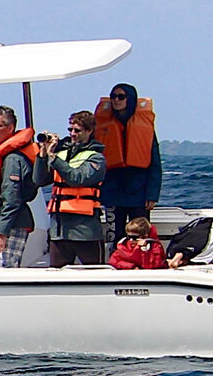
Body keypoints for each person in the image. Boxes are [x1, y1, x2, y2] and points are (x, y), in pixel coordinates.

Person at [39, 110, 108, 266]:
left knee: (95, 276)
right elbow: (39, 179)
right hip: (60, 231)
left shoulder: (96, 158)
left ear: (89, 131)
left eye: (77, 130)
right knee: (56, 277)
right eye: (70, 130)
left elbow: (77, 179)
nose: (72, 134)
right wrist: (42, 155)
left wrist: (54, 158)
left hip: (86, 231)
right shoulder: (62, 154)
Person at [0, 106, 41, 269]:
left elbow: (12, 200)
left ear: (11, 128)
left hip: (12, 223)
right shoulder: (3, 154)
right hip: (3, 220)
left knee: (5, 267)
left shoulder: (12, 159)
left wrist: (2, 233)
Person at [94, 83, 162, 231]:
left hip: (139, 194)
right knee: (115, 237)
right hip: (112, 192)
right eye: (113, 96)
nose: (116, 100)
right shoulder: (101, 126)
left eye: (121, 97)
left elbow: (155, 165)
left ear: (130, 99)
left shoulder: (145, 128)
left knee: (139, 236)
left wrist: (152, 195)